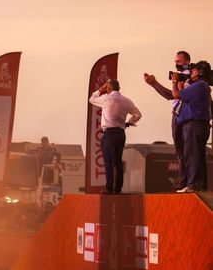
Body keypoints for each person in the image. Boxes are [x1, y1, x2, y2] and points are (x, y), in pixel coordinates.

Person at [143, 50, 191, 190]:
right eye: (175, 62)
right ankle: (185, 182)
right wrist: (154, 84)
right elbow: (172, 96)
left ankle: (186, 183)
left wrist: (156, 84)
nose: (176, 65)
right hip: (177, 117)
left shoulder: (189, 79)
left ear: (187, 62)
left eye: (179, 62)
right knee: (180, 152)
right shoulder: (181, 77)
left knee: (184, 152)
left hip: (183, 117)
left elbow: (173, 95)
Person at [89, 79, 142, 194]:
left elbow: (91, 99)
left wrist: (100, 90)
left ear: (108, 88)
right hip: (120, 133)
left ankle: (108, 188)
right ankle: (118, 188)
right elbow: (138, 114)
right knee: (117, 162)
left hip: (109, 133)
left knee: (108, 161)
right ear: (119, 88)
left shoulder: (105, 98)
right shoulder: (126, 101)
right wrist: (129, 123)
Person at [171, 60, 212, 192]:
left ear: (199, 72)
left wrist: (174, 82)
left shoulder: (199, 85)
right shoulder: (203, 87)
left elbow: (176, 95)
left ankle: (193, 185)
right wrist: (182, 85)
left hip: (194, 125)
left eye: (193, 70)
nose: (191, 73)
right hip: (200, 125)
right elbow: (185, 97)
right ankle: (199, 185)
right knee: (198, 156)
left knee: (191, 155)